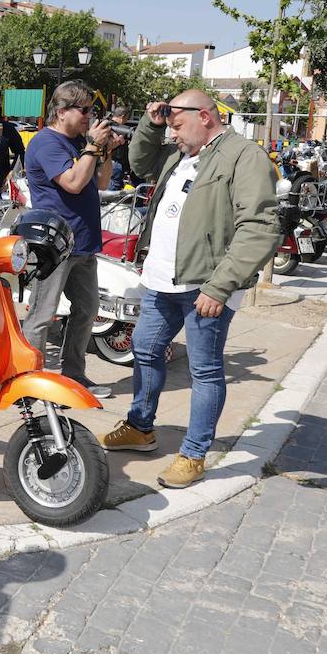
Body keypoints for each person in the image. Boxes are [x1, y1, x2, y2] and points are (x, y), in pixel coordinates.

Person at [100, 90, 280, 489]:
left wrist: (220, 287)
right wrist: (152, 123)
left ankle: (194, 454)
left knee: (205, 371)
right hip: (163, 281)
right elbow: (140, 162)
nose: (173, 133)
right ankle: (140, 427)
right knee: (145, 349)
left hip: (205, 285)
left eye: (178, 124)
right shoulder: (183, 153)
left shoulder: (243, 155)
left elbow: (261, 227)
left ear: (205, 116)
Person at [21, 81, 117, 398]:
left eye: (92, 110)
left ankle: (74, 374)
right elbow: (73, 183)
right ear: (62, 112)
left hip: (83, 242)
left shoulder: (77, 142)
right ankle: (27, 378)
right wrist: (91, 147)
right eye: (85, 110)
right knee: (42, 314)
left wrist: (106, 153)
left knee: (87, 310)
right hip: (55, 245)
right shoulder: (46, 143)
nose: (91, 116)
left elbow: (99, 182)